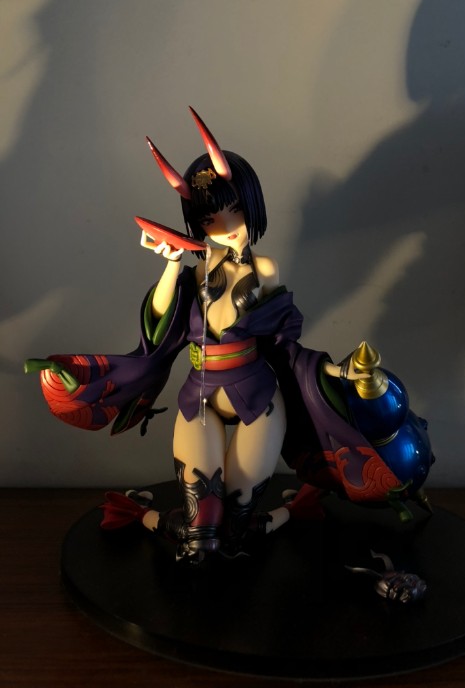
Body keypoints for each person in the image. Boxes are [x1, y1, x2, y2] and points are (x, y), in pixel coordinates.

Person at [27, 108, 411, 563]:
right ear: (198, 222)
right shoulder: (194, 275)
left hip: (258, 399)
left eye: (236, 212)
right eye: (211, 219)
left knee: (236, 528)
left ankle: (290, 512)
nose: (227, 228)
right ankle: (143, 515)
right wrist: (172, 263)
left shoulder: (263, 269)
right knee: (201, 530)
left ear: (252, 206)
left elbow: (276, 338)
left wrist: (331, 372)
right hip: (200, 397)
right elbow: (159, 323)